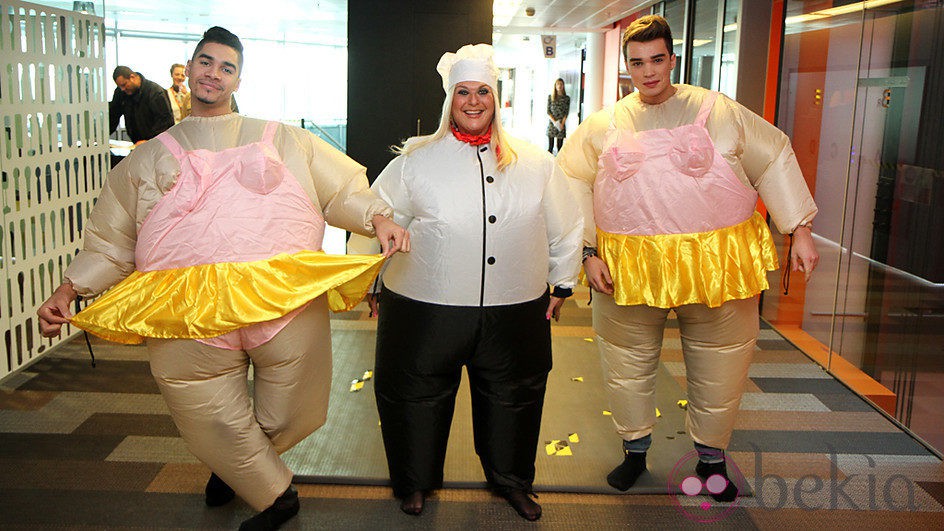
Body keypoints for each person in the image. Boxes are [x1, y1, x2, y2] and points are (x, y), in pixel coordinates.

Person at [37, 26, 409, 531]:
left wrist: (378, 218)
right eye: (205, 62)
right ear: (189, 69)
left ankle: (238, 467)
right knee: (205, 411)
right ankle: (275, 496)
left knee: (296, 412)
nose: (213, 73)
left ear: (237, 79)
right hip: (185, 307)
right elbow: (111, 240)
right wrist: (70, 288)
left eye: (226, 67)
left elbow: (339, 189)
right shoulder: (145, 158)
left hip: (280, 295)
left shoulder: (283, 137)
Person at [556, 15, 819, 502]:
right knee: (625, 361)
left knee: (721, 362)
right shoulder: (604, 125)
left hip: (716, 263)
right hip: (628, 266)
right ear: (627, 65)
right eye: (637, 63)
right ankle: (634, 452)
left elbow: (773, 153)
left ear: (671, 59)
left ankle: (712, 462)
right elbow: (570, 178)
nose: (648, 72)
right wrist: (587, 251)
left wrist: (799, 228)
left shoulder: (719, 111)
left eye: (657, 60)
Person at [348, 44, 582, 521]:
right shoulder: (415, 161)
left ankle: (512, 481)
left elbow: (565, 226)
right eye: (463, 93)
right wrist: (370, 283)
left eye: (482, 92)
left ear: (496, 99)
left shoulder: (537, 164)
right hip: (423, 306)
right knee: (413, 394)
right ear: (448, 100)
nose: (473, 102)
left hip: (514, 306)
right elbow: (373, 216)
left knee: (514, 396)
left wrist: (561, 284)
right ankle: (413, 483)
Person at [109, 66, 175, 145]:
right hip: (136, 143)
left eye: (124, 85)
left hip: (156, 144)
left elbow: (166, 122)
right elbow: (113, 116)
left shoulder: (155, 92)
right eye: (120, 86)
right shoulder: (121, 92)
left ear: (132, 77)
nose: (123, 89)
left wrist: (149, 141)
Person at [546, 78, 570, 154]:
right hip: (552, 124)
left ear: (563, 86)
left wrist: (561, 124)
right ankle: (549, 163)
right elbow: (548, 111)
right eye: (558, 84)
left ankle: (558, 164)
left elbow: (566, 112)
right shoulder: (550, 97)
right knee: (550, 148)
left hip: (561, 124)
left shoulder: (567, 98)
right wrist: (554, 122)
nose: (559, 86)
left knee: (560, 148)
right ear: (555, 86)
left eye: (561, 84)